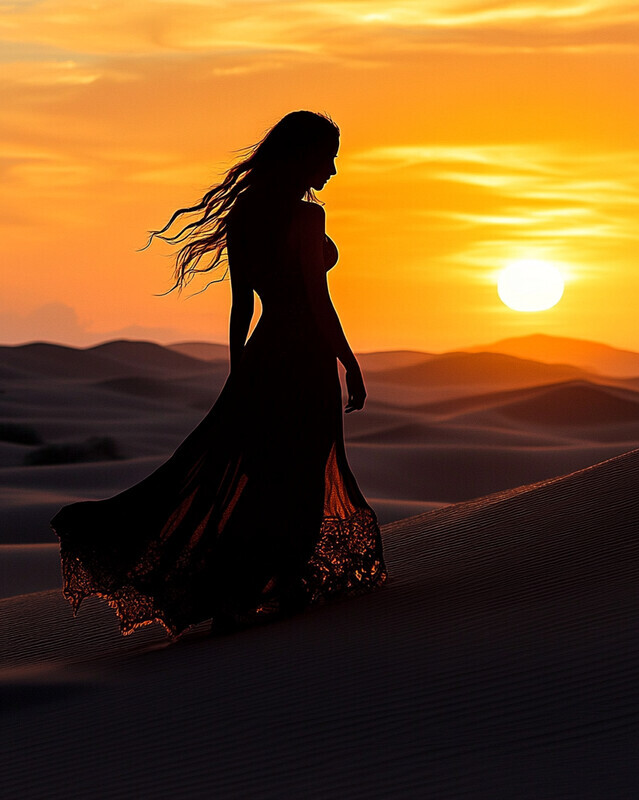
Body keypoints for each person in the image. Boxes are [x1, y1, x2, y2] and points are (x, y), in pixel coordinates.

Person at [50, 110, 388, 639]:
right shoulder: (305, 218)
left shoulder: (245, 216)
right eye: (328, 158)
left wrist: (240, 374)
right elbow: (318, 302)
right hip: (303, 358)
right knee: (298, 474)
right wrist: (350, 361)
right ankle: (268, 588)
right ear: (302, 156)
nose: (333, 171)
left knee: (265, 474)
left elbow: (240, 308)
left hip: (263, 356)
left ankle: (249, 590)